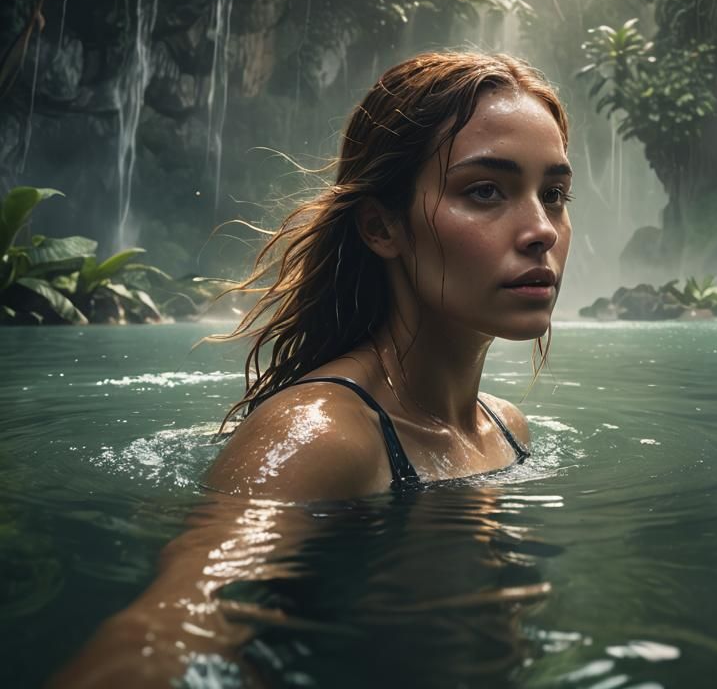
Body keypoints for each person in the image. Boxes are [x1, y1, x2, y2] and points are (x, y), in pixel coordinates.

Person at [49, 49, 573, 687]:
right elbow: (166, 634)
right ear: (383, 228)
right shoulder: (323, 435)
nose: (541, 229)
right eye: (485, 191)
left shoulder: (506, 428)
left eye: (553, 194)